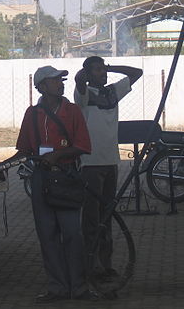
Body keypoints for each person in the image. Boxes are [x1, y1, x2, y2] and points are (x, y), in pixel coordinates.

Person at [3, 65, 99, 303]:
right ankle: (57, 288)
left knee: (72, 234)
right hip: (41, 180)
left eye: (60, 80)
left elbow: (84, 146)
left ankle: (79, 287)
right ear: (42, 87)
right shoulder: (31, 114)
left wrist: (57, 155)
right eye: (55, 80)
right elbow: (24, 151)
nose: (60, 83)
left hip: (67, 178)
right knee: (47, 235)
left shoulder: (73, 111)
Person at [74, 56, 142, 282]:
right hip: (90, 164)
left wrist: (111, 68)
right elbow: (78, 80)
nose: (103, 74)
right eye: (98, 70)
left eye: (104, 70)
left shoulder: (112, 92)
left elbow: (136, 73)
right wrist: (86, 74)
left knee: (106, 216)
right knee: (92, 218)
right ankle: (91, 265)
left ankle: (105, 264)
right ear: (88, 73)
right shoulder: (82, 94)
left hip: (111, 162)